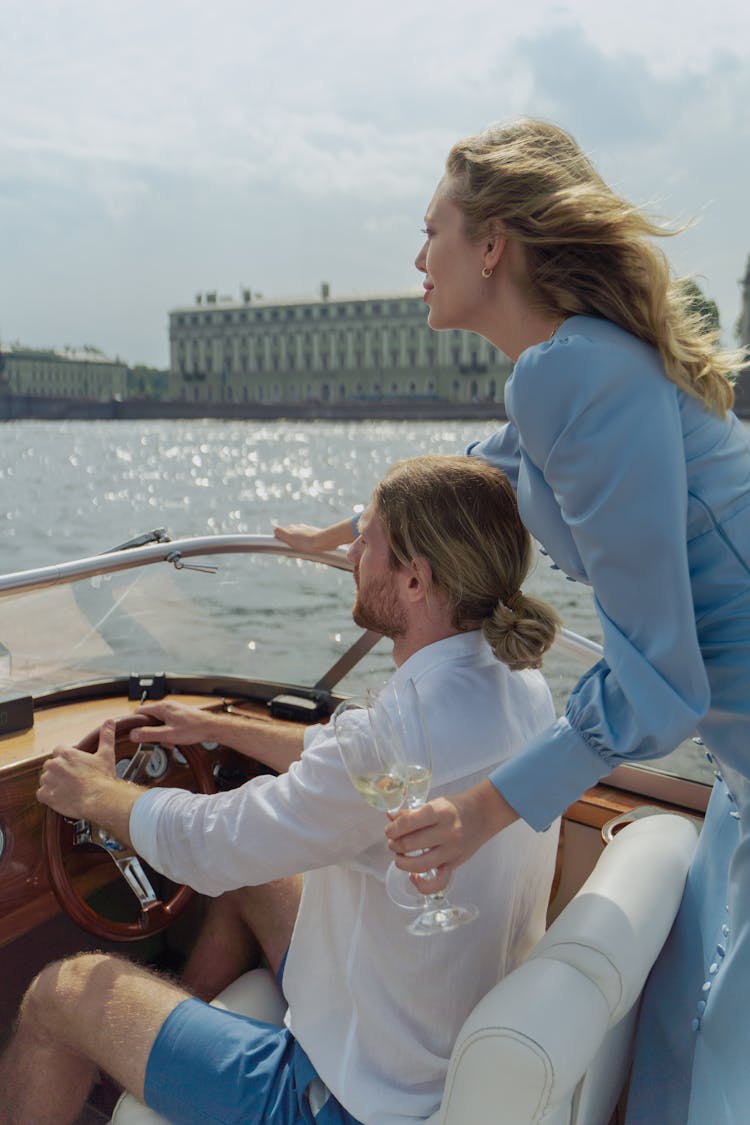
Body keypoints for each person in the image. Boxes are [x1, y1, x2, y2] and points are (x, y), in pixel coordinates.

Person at [275, 118, 750, 1124]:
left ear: (493, 244)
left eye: (433, 226)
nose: (417, 256)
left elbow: (664, 685)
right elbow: (487, 469)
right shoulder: (572, 368)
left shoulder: (573, 370)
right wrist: (361, 530)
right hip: (740, 774)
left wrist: (485, 810)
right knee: (674, 1043)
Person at [0, 454, 561, 1125]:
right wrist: (216, 728)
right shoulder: (519, 684)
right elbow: (356, 767)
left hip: (342, 1101)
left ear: (415, 579)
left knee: (58, 995)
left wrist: (95, 795)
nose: (351, 552)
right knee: (256, 880)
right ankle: (169, 1050)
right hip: (431, 1033)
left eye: (367, 540)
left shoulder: (403, 729)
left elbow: (209, 843)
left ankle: (148, 1056)